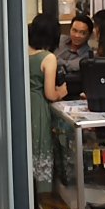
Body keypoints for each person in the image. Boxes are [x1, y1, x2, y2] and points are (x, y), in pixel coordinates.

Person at [28, 13, 68, 196]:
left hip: (24, 104)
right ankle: (42, 195)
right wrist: (62, 91)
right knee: (40, 146)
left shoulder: (23, 52)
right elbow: (50, 94)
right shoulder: (48, 58)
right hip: (38, 107)